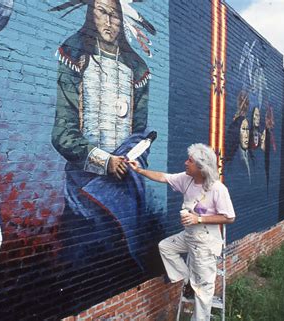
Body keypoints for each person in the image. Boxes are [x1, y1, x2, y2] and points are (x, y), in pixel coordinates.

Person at [50, 0, 155, 269]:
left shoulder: (137, 70)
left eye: (115, 16)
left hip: (124, 189)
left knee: (122, 266)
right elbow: (63, 134)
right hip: (83, 191)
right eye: (102, 12)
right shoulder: (74, 55)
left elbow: (140, 136)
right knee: (79, 266)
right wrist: (106, 162)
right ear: (90, 13)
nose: (109, 22)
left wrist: (132, 161)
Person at [127, 143, 236, 321]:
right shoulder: (186, 179)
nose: (185, 163)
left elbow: (230, 217)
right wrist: (139, 171)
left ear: (201, 167)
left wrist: (198, 219)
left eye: (190, 161)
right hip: (189, 236)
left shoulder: (217, 189)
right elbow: (163, 177)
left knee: (203, 292)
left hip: (206, 242)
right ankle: (188, 281)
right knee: (166, 247)